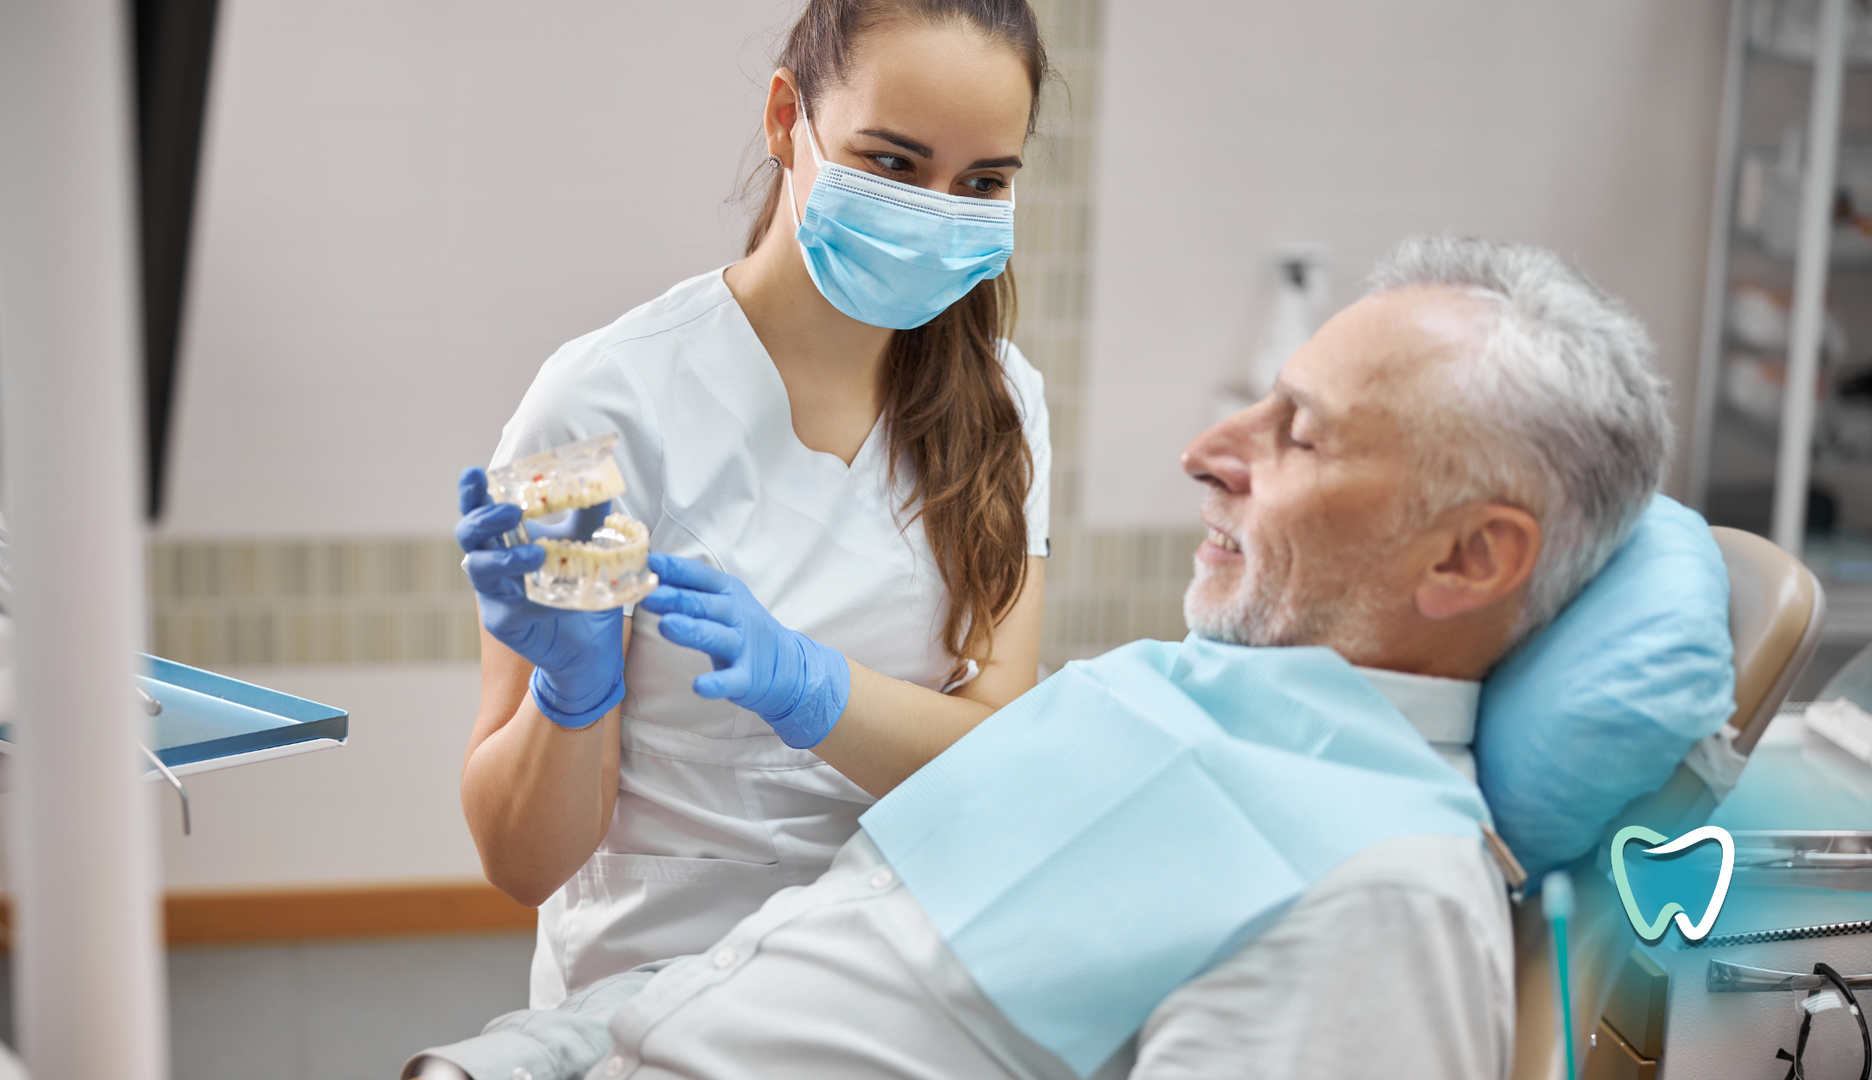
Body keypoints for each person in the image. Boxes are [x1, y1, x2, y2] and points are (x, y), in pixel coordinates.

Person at [406, 235, 1674, 1080]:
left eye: (1299, 435)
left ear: (1466, 562)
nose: (1208, 449)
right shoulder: (1173, 694)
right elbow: (805, 965)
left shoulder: (1381, 888)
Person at [451, 0, 1055, 1009]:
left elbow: (1001, 757)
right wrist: (570, 699)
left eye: (982, 183)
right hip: (647, 1008)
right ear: (788, 120)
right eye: (895, 164)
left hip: (900, 1000)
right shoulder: (591, 404)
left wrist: (815, 690)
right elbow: (521, 865)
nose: (935, 212)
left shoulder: (1006, 399)